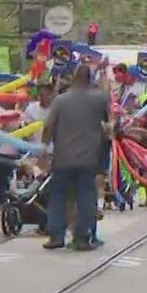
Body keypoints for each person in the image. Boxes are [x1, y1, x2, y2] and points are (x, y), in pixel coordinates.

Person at [41, 64, 109, 251]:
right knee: (86, 197)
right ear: (89, 78)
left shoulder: (60, 101)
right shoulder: (97, 99)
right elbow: (108, 111)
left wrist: (44, 148)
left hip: (63, 158)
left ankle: (56, 236)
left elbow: (48, 126)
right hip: (88, 159)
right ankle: (81, 237)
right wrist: (104, 74)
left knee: (58, 196)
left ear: (73, 77)